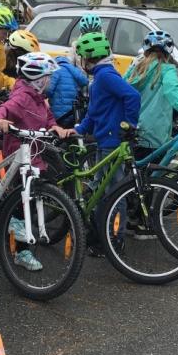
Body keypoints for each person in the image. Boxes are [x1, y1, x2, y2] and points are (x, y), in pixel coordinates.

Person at [0, 52, 71, 271]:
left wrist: (54, 127)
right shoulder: (22, 97)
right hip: (20, 155)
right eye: (47, 77)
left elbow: (47, 118)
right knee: (21, 202)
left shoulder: (38, 98)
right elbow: (3, 109)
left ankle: (20, 242)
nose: (50, 81)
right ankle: (21, 249)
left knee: (31, 199)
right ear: (37, 79)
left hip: (35, 155)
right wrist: (0, 119)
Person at [71, 28, 140, 250]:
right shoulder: (99, 77)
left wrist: (129, 124)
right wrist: (80, 129)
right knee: (101, 190)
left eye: (81, 56)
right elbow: (95, 111)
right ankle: (102, 233)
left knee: (113, 193)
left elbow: (132, 96)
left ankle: (114, 239)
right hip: (104, 140)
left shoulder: (106, 76)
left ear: (89, 57)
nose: (80, 60)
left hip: (112, 141)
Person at [124, 30, 178, 159]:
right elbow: (172, 91)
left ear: (146, 51)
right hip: (156, 133)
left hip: (132, 128)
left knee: (135, 172)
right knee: (154, 175)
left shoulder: (135, 70)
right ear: (167, 53)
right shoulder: (167, 70)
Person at [47, 51, 89, 128]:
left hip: (58, 112)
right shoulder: (74, 70)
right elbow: (85, 81)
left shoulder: (56, 70)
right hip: (73, 112)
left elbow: (49, 90)